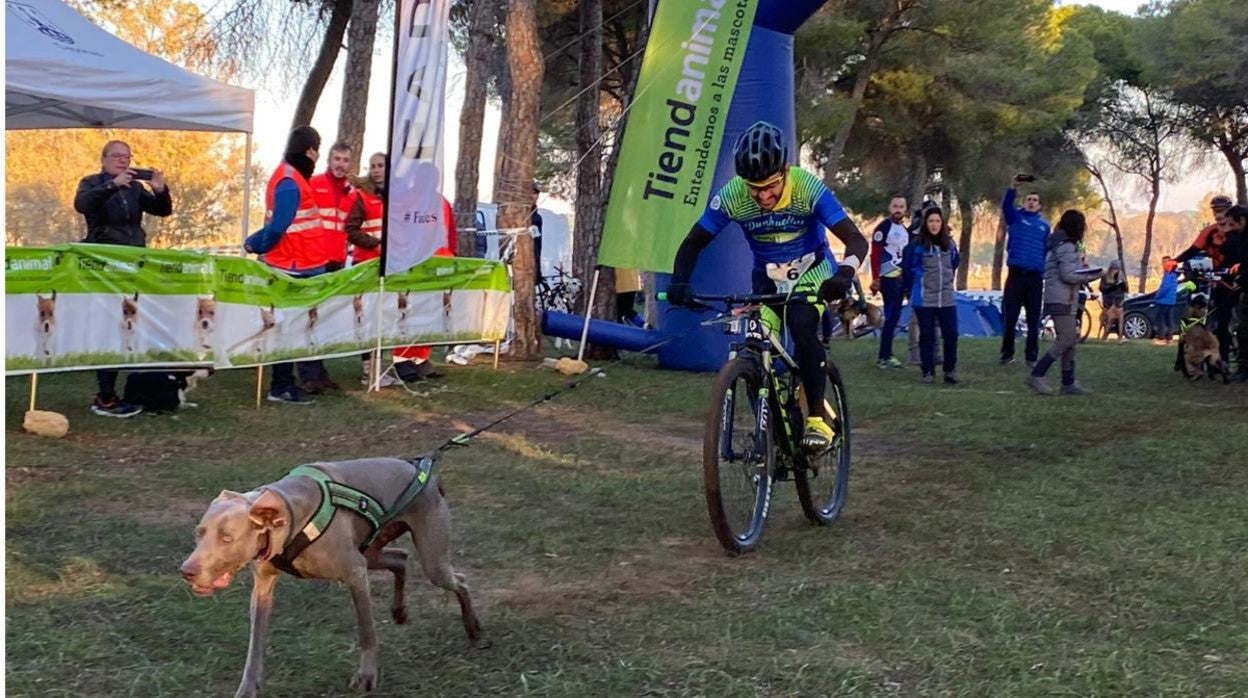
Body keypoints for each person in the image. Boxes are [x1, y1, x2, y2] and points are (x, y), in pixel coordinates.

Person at [666, 120, 868, 451]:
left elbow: (856, 240)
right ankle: (773, 423)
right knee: (753, 345)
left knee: (802, 325)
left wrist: (843, 275)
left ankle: (817, 419)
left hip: (813, 272)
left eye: (771, 185)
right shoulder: (733, 195)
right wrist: (680, 281)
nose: (763, 195)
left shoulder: (806, 187)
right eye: (754, 187)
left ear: (785, 171)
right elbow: (692, 243)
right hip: (767, 277)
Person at [74, 140, 173, 418]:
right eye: (117, 156)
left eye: (127, 157)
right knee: (109, 325)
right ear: (104, 159)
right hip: (105, 261)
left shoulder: (136, 188)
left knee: (129, 324)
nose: (123, 161)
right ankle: (105, 395)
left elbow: (163, 210)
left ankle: (137, 389)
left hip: (134, 261)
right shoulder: (92, 182)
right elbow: (82, 205)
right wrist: (112, 185)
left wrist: (160, 189)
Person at [245, 125, 330, 405]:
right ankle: (281, 385)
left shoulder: (290, 178)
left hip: (298, 261)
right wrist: (256, 244)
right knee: (288, 328)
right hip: (291, 264)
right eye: (317, 149)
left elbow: (280, 223)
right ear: (310, 150)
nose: (318, 156)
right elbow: (279, 225)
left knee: (293, 327)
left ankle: (285, 383)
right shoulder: (290, 181)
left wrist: (253, 241)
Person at [1026, 210, 1103, 395]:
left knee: (1071, 341)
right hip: (1061, 298)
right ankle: (1037, 374)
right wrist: (1097, 273)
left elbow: (1071, 270)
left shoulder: (1061, 244)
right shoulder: (1066, 246)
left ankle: (1068, 383)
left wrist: (1084, 269)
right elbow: (1068, 275)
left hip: (1064, 297)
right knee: (1066, 339)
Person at [342, 152, 400, 388]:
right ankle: (369, 370)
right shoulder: (362, 197)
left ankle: (379, 367)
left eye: (380, 166)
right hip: (366, 263)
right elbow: (351, 229)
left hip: (388, 265)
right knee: (367, 318)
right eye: (372, 166)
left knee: (384, 318)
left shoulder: (396, 197)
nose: (376, 170)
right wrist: (375, 244)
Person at [1175, 194, 1239, 363]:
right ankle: (1211, 357)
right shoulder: (1209, 232)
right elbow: (1193, 250)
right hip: (1218, 279)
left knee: (1228, 321)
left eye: (1223, 211)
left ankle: (1228, 360)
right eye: (1216, 211)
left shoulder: (1237, 232)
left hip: (1236, 280)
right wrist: (1175, 261)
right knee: (1214, 320)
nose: (1219, 215)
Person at [901, 206, 960, 384]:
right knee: (927, 336)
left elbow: (954, 264)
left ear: (942, 224)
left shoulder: (950, 245)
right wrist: (913, 289)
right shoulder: (916, 247)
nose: (934, 224)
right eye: (931, 221)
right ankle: (928, 371)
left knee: (951, 334)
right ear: (925, 224)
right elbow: (908, 269)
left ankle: (950, 370)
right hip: (924, 298)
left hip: (947, 297)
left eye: (937, 221)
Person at [999, 177, 1051, 366]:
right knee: (1010, 317)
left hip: (1034, 279)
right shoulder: (1015, 218)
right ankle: (1007, 354)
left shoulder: (1045, 226)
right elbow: (1006, 206)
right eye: (1028, 199)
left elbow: (1045, 250)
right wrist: (1012, 188)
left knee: (1033, 318)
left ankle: (1031, 356)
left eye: (1034, 200)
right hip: (1015, 276)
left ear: (1039, 205)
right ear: (1024, 202)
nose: (1031, 202)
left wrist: (1042, 269)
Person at [870, 195, 909, 368]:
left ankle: (887, 353)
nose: (898, 209)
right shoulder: (884, 228)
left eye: (901, 206)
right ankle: (883, 356)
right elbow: (875, 254)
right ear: (889, 207)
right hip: (888, 278)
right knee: (891, 316)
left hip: (901, 279)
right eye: (895, 206)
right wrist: (875, 278)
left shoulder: (904, 230)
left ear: (905, 209)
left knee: (894, 317)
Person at [1223, 205, 1248, 382]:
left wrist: (1242, 280)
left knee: (1244, 329)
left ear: (1242, 220)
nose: (1230, 229)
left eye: (1232, 225)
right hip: (1245, 288)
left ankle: (1245, 369)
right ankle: (1244, 367)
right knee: (1242, 329)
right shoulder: (1241, 237)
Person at [1098, 259, 1129, 342]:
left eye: (1117, 269)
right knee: (1109, 320)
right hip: (1109, 302)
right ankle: (1104, 336)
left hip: (1119, 301)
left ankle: (1120, 337)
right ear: (1111, 269)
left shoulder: (1121, 276)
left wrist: (1123, 286)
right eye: (1115, 269)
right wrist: (1112, 287)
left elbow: (1126, 289)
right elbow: (1102, 288)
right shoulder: (1105, 276)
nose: (1116, 271)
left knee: (1120, 320)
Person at [1153, 256, 1181, 345]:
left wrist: (1157, 296)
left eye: (1165, 262)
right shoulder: (1174, 274)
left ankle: (1162, 338)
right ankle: (1169, 338)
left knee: (1161, 320)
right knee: (1169, 319)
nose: (1163, 264)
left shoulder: (1168, 274)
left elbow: (1165, 287)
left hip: (1163, 300)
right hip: (1171, 301)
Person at [530, 181, 544, 287]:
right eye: (530, 193)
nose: (533, 196)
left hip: (532, 261)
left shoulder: (537, 218)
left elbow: (538, 244)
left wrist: (537, 266)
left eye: (535, 193)